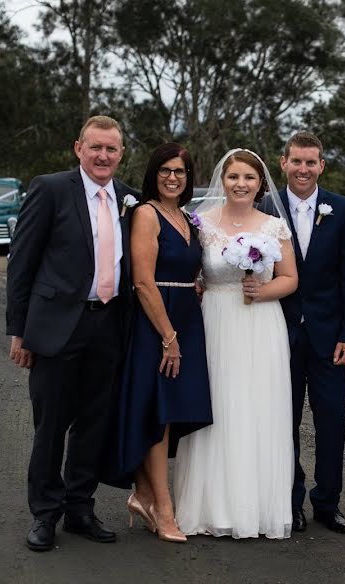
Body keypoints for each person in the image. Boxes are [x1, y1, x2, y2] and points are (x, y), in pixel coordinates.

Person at [6, 116, 138, 551]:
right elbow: (21, 264)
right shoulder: (49, 188)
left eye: (111, 149)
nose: (103, 156)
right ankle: (45, 513)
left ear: (121, 154)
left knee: (93, 423)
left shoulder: (129, 199)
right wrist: (18, 332)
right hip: (57, 326)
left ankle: (80, 507)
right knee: (51, 425)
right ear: (78, 147)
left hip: (109, 324)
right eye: (95, 147)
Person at [172, 149, 298, 539]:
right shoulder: (200, 223)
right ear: (221, 181)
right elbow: (191, 272)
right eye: (234, 177)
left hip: (261, 324)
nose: (241, 184)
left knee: (258, 409)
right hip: (214, 322)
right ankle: (211, 507)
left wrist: (261, 291)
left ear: (261, 183)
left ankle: (256, 509)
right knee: (219, 407)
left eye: (249, 177)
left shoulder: (274, 226)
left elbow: (290, 278)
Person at [107, 143, 212, 543]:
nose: (173, 177)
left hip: (187, 315)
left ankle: (146, 496)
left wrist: (199, 288)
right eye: (166, 170)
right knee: (158, 413)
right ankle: (163, 509)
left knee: (171, 414)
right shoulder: (147, 214)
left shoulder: (186, 217)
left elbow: (190, 269)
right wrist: (168, 337)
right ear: (154, 174)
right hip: (158, 324)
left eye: (181, 172)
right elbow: (143, 281)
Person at [268, 132, 345, 534]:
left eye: (311, 162)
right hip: (278, 335)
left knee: (332, 419)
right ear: (283, 163)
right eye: (297, 162)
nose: (304, 169)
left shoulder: (342, 210)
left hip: (330, 338)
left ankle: (327, 502)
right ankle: (291, 500)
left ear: (322, 165)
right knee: (282, 421)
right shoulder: (264, 209)